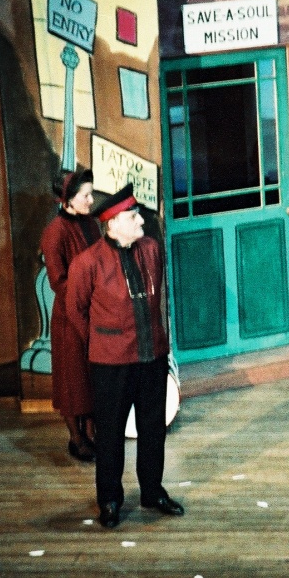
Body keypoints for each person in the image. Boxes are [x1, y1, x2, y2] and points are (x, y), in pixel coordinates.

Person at [67, 183, 184, 528]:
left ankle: (153, 491)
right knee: (110, 434)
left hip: (152, 357)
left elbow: (156, 296)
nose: (142, 222)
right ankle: (110, 500)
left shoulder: (151, 250)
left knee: (153, 429)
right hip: (111, 364)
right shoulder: (87, 263)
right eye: (134, 217)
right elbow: (75, 311)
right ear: (113, 223)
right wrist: (103, 343)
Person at [40, 168, 100, 462]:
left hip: (95, 312)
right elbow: (58, 281)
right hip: (70, 316)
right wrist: (84, 299)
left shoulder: (91, 224)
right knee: (72, 379)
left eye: (90, 194)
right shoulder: (55, 232)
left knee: (91, 375)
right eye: (85, 195)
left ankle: (91, 433)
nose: (91, 200)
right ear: (67, 200)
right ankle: (77, 439)